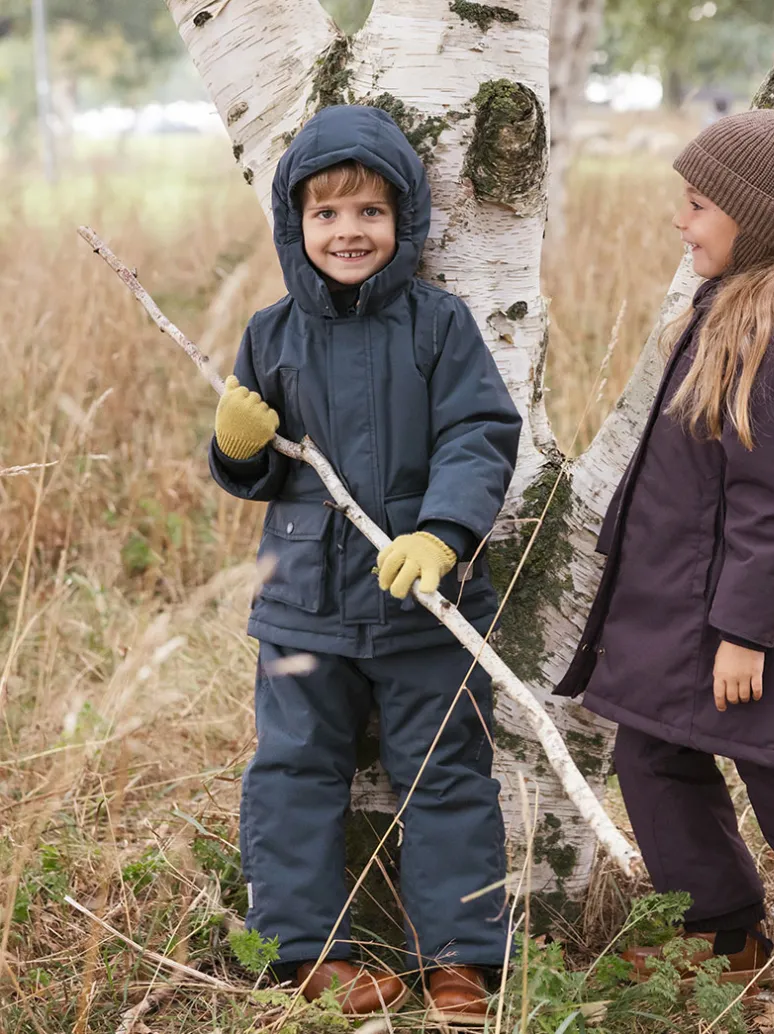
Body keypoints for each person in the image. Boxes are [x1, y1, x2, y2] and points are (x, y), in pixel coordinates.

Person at [555, 101, 774, 1028]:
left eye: (700, 205)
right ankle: (723, 931)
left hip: (764, 624)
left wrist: (744, 634)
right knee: (653, 753)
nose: (682, 221)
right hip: (684, 615)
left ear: (752, 221)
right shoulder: (725, 310)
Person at [209, 104, 522, 1024]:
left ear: (406, 223)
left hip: (426, 598)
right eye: (326, 214)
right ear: (294, 225)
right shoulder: (272, 335)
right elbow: (259, 470)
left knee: (445, 770)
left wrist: (445, 531)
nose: (348, 232)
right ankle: (303, 949)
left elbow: (479, 431)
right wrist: (237, 446)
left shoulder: (440, 325)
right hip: (303, 601)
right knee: (297, 769)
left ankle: (461, 959)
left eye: (371, 214)